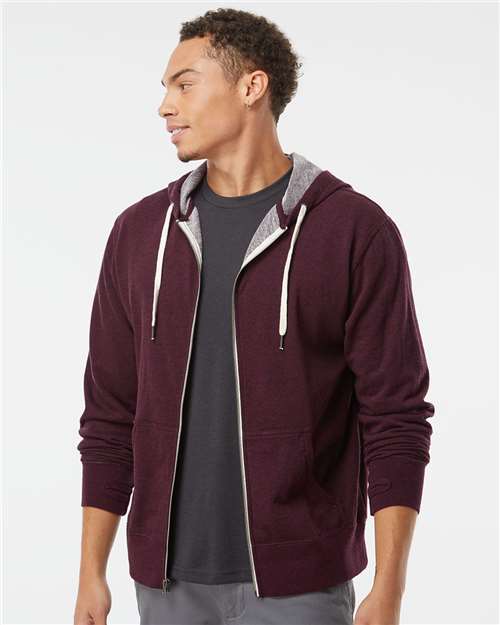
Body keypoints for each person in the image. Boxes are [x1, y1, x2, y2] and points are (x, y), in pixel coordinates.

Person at [73, 8, 435, 625]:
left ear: (251, 86)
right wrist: (90, 575)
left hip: (303, 584)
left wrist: (389, 587)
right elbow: (109, 413)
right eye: (166, 88)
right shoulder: (139, 233)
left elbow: (396, 416)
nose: (165, 106)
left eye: (184, 84)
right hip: (165, 583)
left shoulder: (354, 230)